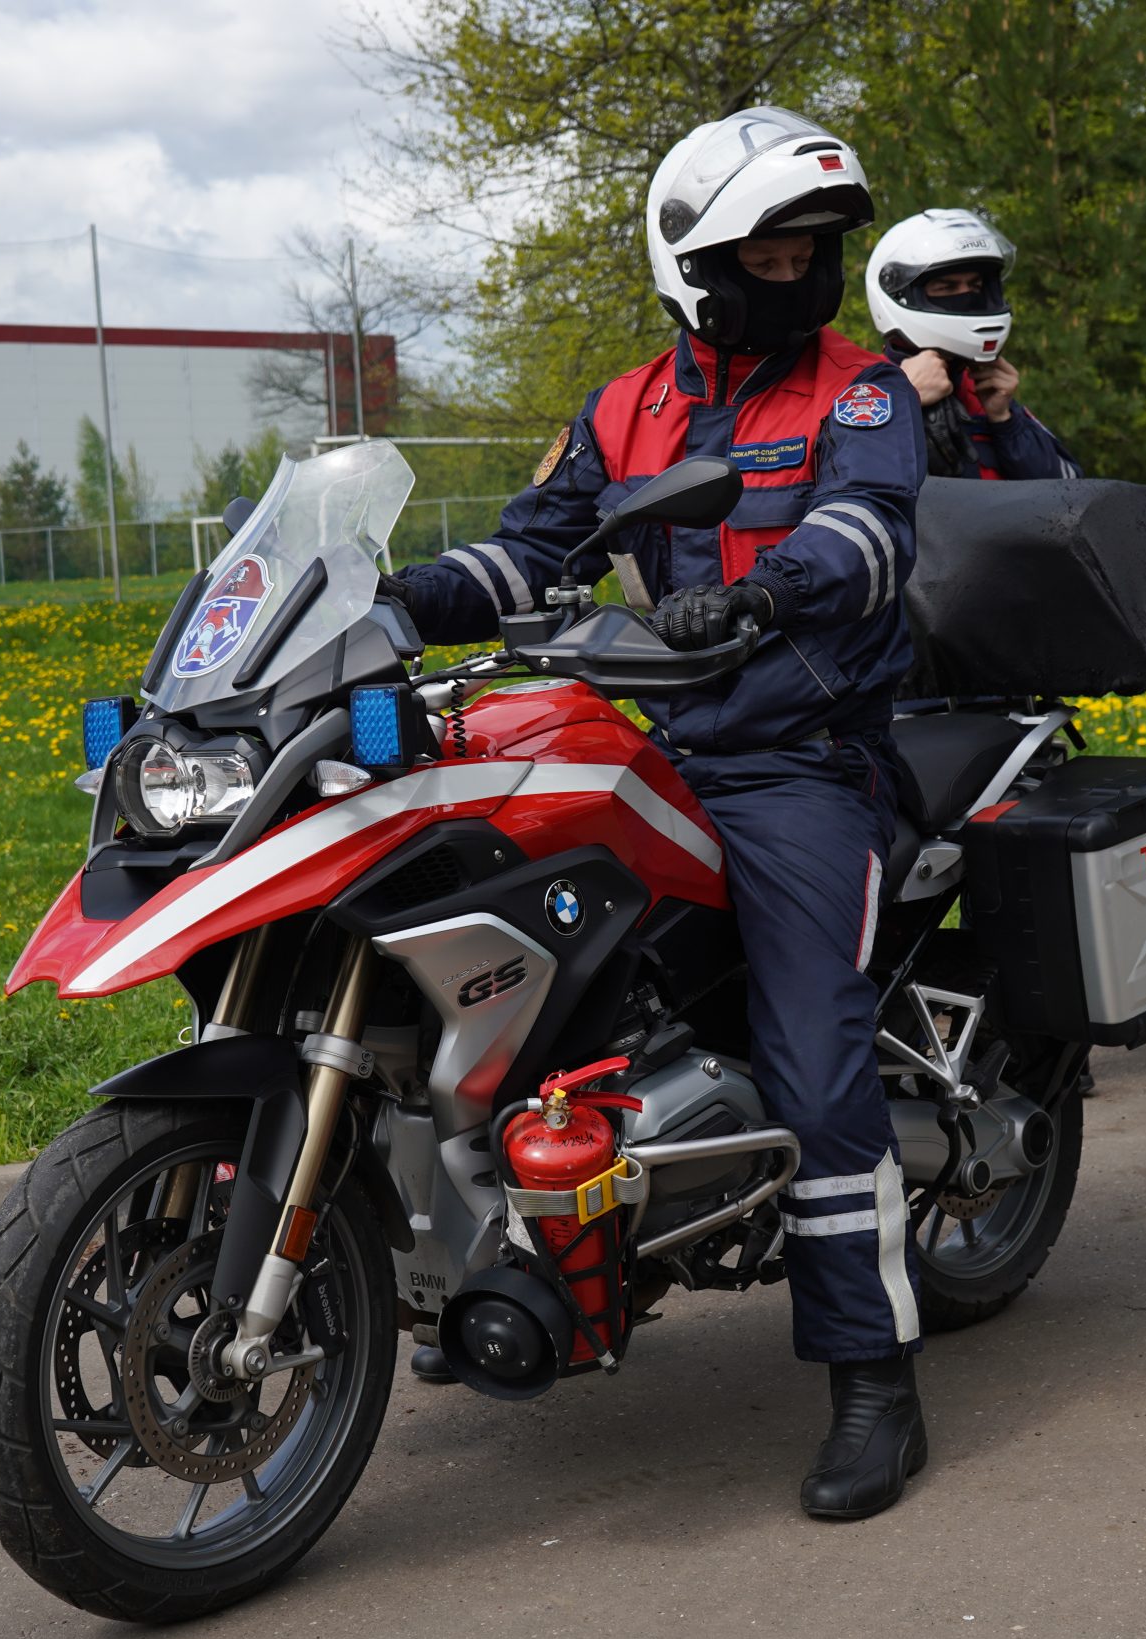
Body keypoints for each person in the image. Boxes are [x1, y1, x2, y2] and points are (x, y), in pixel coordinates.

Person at [388, 107, 931, 1521]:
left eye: (817, 243)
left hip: (805, 760)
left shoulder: (863, 391)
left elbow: (866, 530)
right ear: (697, 259)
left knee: (818, 1058)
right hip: (659, 744)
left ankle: (875, 1376)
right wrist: (392, 602)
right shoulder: (626, 407)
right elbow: (531, 546)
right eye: (772, 243)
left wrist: (763, 590)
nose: (802, 265)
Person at [866, 209, 1079, 481]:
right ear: (901, 295)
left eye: (976, 286)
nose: (966, 297)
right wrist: (901, 401)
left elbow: (1068, 490)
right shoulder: (865, 391)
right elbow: (842, 492)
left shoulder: (985, 386)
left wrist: (1006, 422)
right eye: (947, 287)